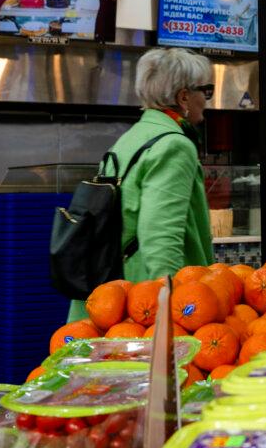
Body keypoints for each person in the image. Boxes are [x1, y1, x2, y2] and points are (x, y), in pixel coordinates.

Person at [69, 48, 215, 322]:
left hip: (111, 297)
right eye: (205, 91)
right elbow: (161, 237)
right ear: (184, 96)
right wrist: (172, 316)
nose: (206, 101)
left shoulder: (132, 138)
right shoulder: (174, 145)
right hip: (143, 304)